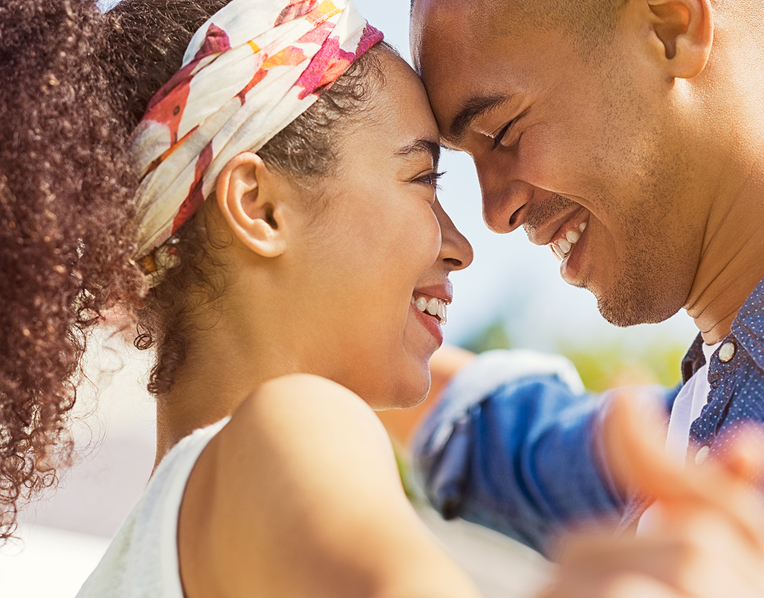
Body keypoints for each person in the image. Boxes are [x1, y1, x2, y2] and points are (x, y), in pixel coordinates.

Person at [407, 0, 764, 596]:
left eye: (505, 132)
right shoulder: (689, 429)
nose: (494, 216)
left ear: (672, 29)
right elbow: (506, 437)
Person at [2, 0, 490, 595]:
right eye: (423, 179)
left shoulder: (130, 566)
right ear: (259, 207)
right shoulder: (293, 428)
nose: (462, 245)